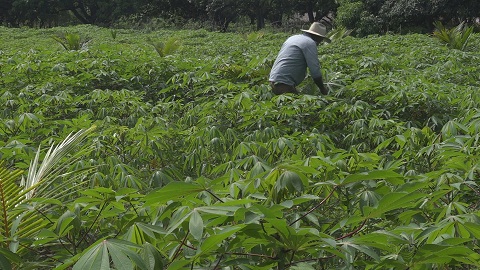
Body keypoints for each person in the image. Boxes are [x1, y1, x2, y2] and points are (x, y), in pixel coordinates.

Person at [269, 22, 330, 95]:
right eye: (321, 39)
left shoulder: (293, 38)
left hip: (274, 79)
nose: (320, 42)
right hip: (284, 83)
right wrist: (322, 89)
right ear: (318, 37)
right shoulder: (310, 43)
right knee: (297, 105)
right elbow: (315, 72)